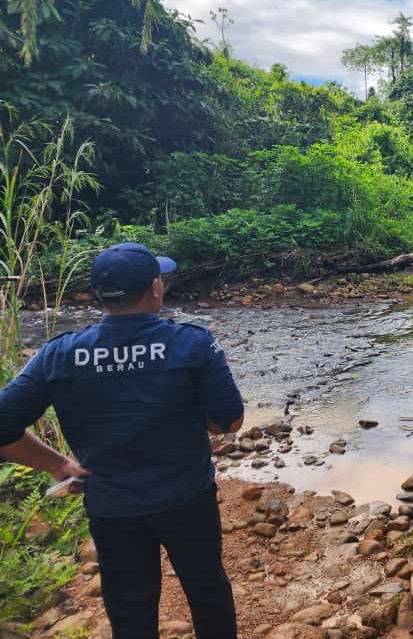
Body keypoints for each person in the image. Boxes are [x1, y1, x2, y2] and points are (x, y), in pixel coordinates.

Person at [0, 243, 244, 638]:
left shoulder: (60, 354)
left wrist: (57, 464)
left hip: (112, 506)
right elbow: (229, 421)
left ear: (99, 295)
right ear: (155, 289)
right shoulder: (192, 343)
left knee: (130, 612)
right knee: (207, 591)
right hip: (186, 498)